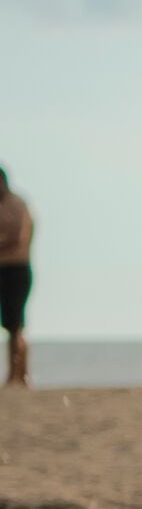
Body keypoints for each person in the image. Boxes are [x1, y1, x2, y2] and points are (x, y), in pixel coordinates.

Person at [0, 166, 31, 390]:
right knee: (10, 323)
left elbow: (19, 237)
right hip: (3, 268)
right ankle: (14, 375)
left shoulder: (17, 205)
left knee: (15, 323)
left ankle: (19, 375)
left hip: (17, 269)